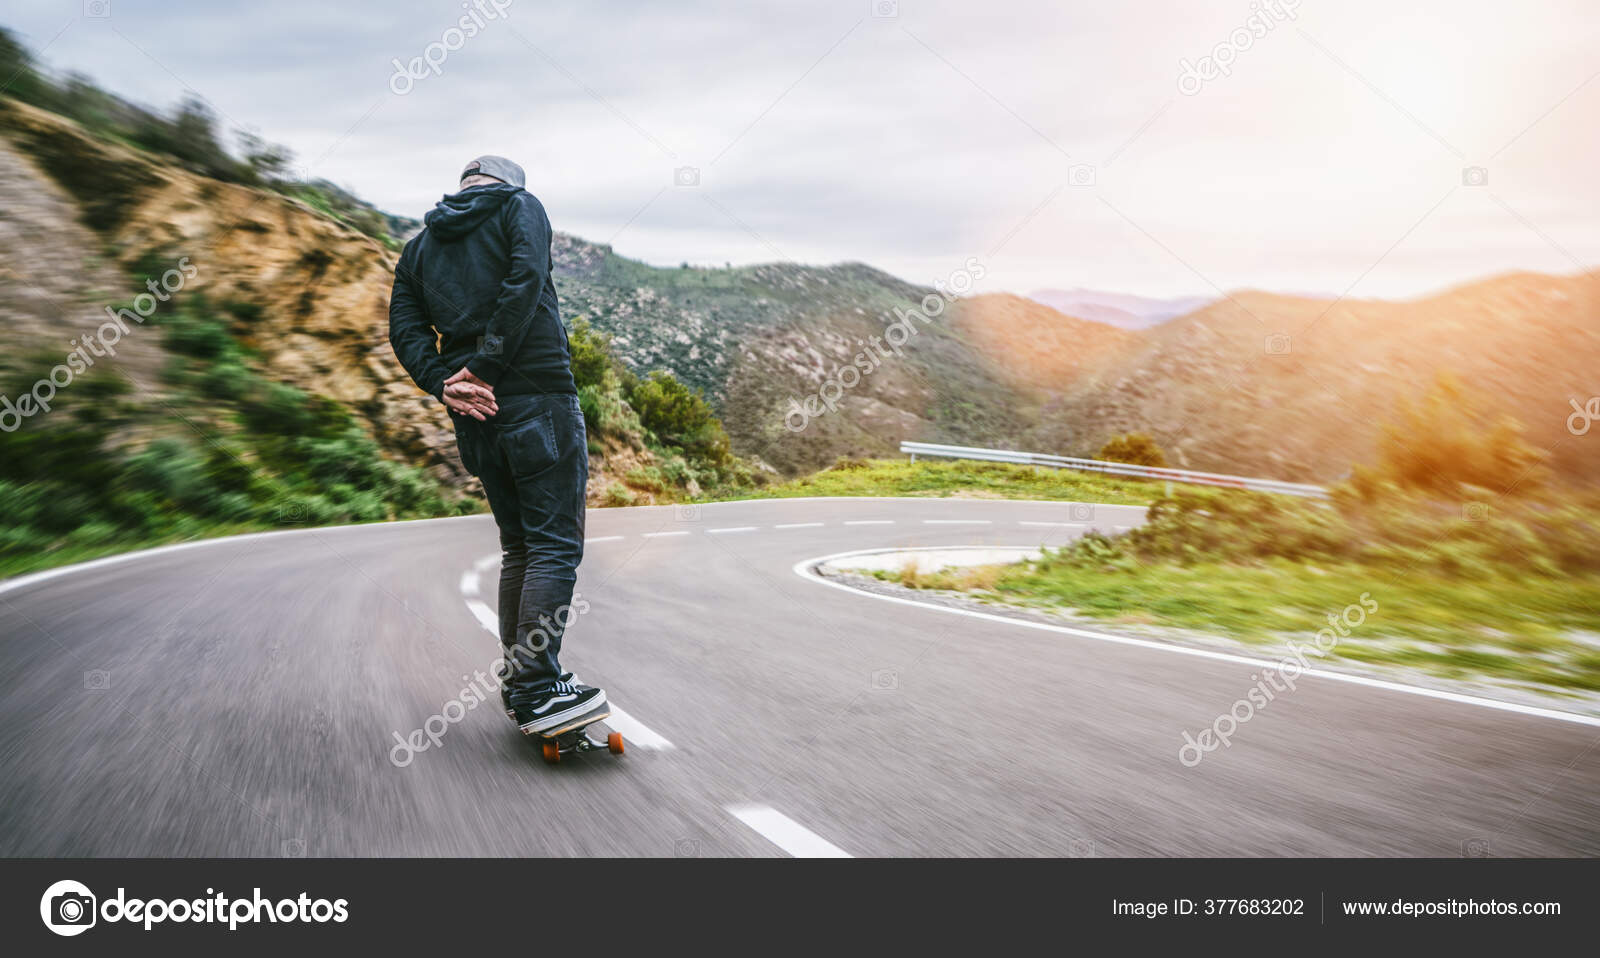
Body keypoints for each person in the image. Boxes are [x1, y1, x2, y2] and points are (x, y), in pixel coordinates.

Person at [388, 155, 605, 738]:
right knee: (555, 546)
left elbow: (403, 330)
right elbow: (526, 282)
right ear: (510, 185)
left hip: (474, 416)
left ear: (464, 187)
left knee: (519, 548)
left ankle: (520, 681)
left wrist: (445, 382)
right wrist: (484, 368)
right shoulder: (519, 207)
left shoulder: (418, 249)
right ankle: (537, 687)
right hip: (539, 399)